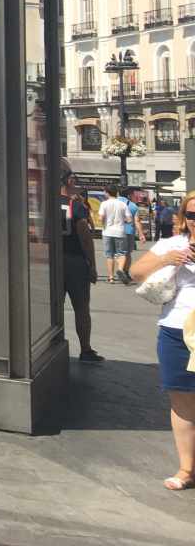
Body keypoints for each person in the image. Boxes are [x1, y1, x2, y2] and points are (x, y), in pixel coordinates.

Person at [129, 192, 195, 490]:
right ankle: (186, 469)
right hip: (175, 330)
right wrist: (169, 259)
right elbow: (135, 272)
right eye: (192, 215)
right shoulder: (173, 244)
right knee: (181, 401)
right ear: (184, 217)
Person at [59, 160, 103, 363]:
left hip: (51, 262)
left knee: (53, 306)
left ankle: (54, 342)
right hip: (74, 261)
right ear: (68, 180)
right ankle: (85, 349)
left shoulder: (44, 202)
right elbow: (85, 236)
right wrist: (92, 265)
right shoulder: (75, 205)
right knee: (81, 308)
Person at [98, 189, 131, 284]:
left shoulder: (104, 204)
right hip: (120, 232)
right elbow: (129, 220)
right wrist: (122, 220)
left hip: (107, 232)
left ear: (107, 192)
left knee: (109, 255)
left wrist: (104, 221)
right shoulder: (123, 204)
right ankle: (120, 269)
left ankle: (111, 277)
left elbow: (101, 218)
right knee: (122, 253)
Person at [123, 190, 147, 283]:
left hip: (112, 232)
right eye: (134, 195)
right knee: (127, 253)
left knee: (115, 254)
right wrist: (141, 234)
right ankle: (125, 272)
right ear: (129, 195)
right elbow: (137, 221)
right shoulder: (133, 206)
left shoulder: (112, 202)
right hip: (128, 231)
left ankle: (111, 276)